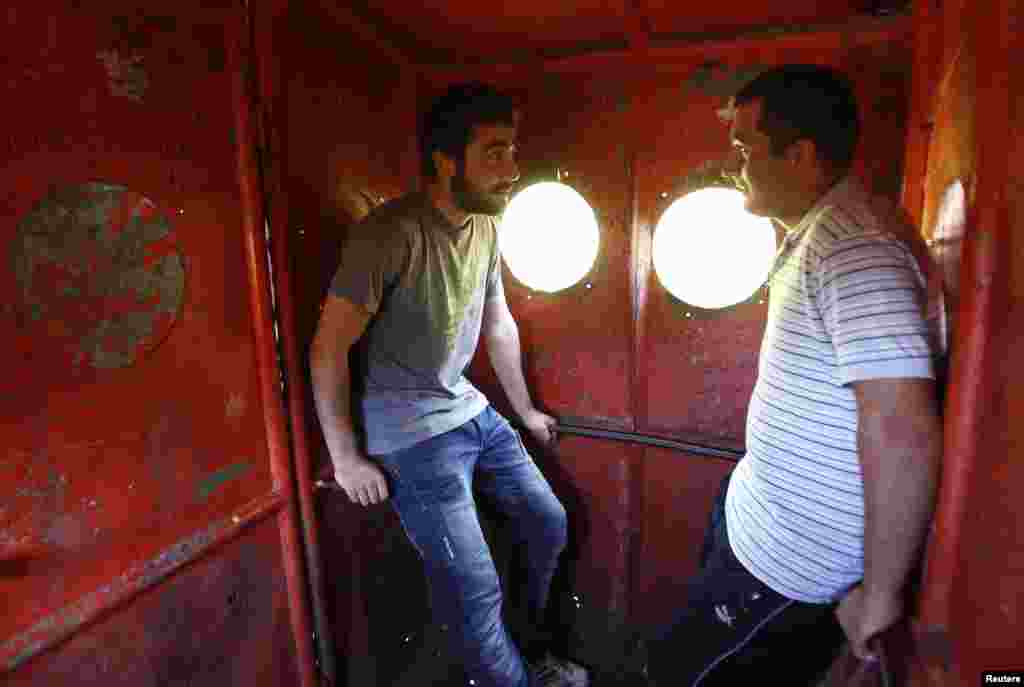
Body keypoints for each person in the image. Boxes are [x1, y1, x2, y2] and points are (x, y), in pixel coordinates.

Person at [644, 65, 943, 685]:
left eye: (745, 149)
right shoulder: (822, 232)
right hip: (758, 522)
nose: (735, 166)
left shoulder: (854, 246)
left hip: (789, 566)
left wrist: (882, 595)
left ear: (801, 155)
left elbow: (901, 426)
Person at [309, 82, 590, 687]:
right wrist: (347, 458)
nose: (512, 171)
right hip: (408, 435)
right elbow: (327, 350)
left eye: (513, 152)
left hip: (470, 412)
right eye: (495, 153)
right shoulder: (389, 235)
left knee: (548, 523)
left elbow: (498, 321)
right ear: (445, 161)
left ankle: (524, 652)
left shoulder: (486, 228)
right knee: (473, 586)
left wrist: (526, 410)